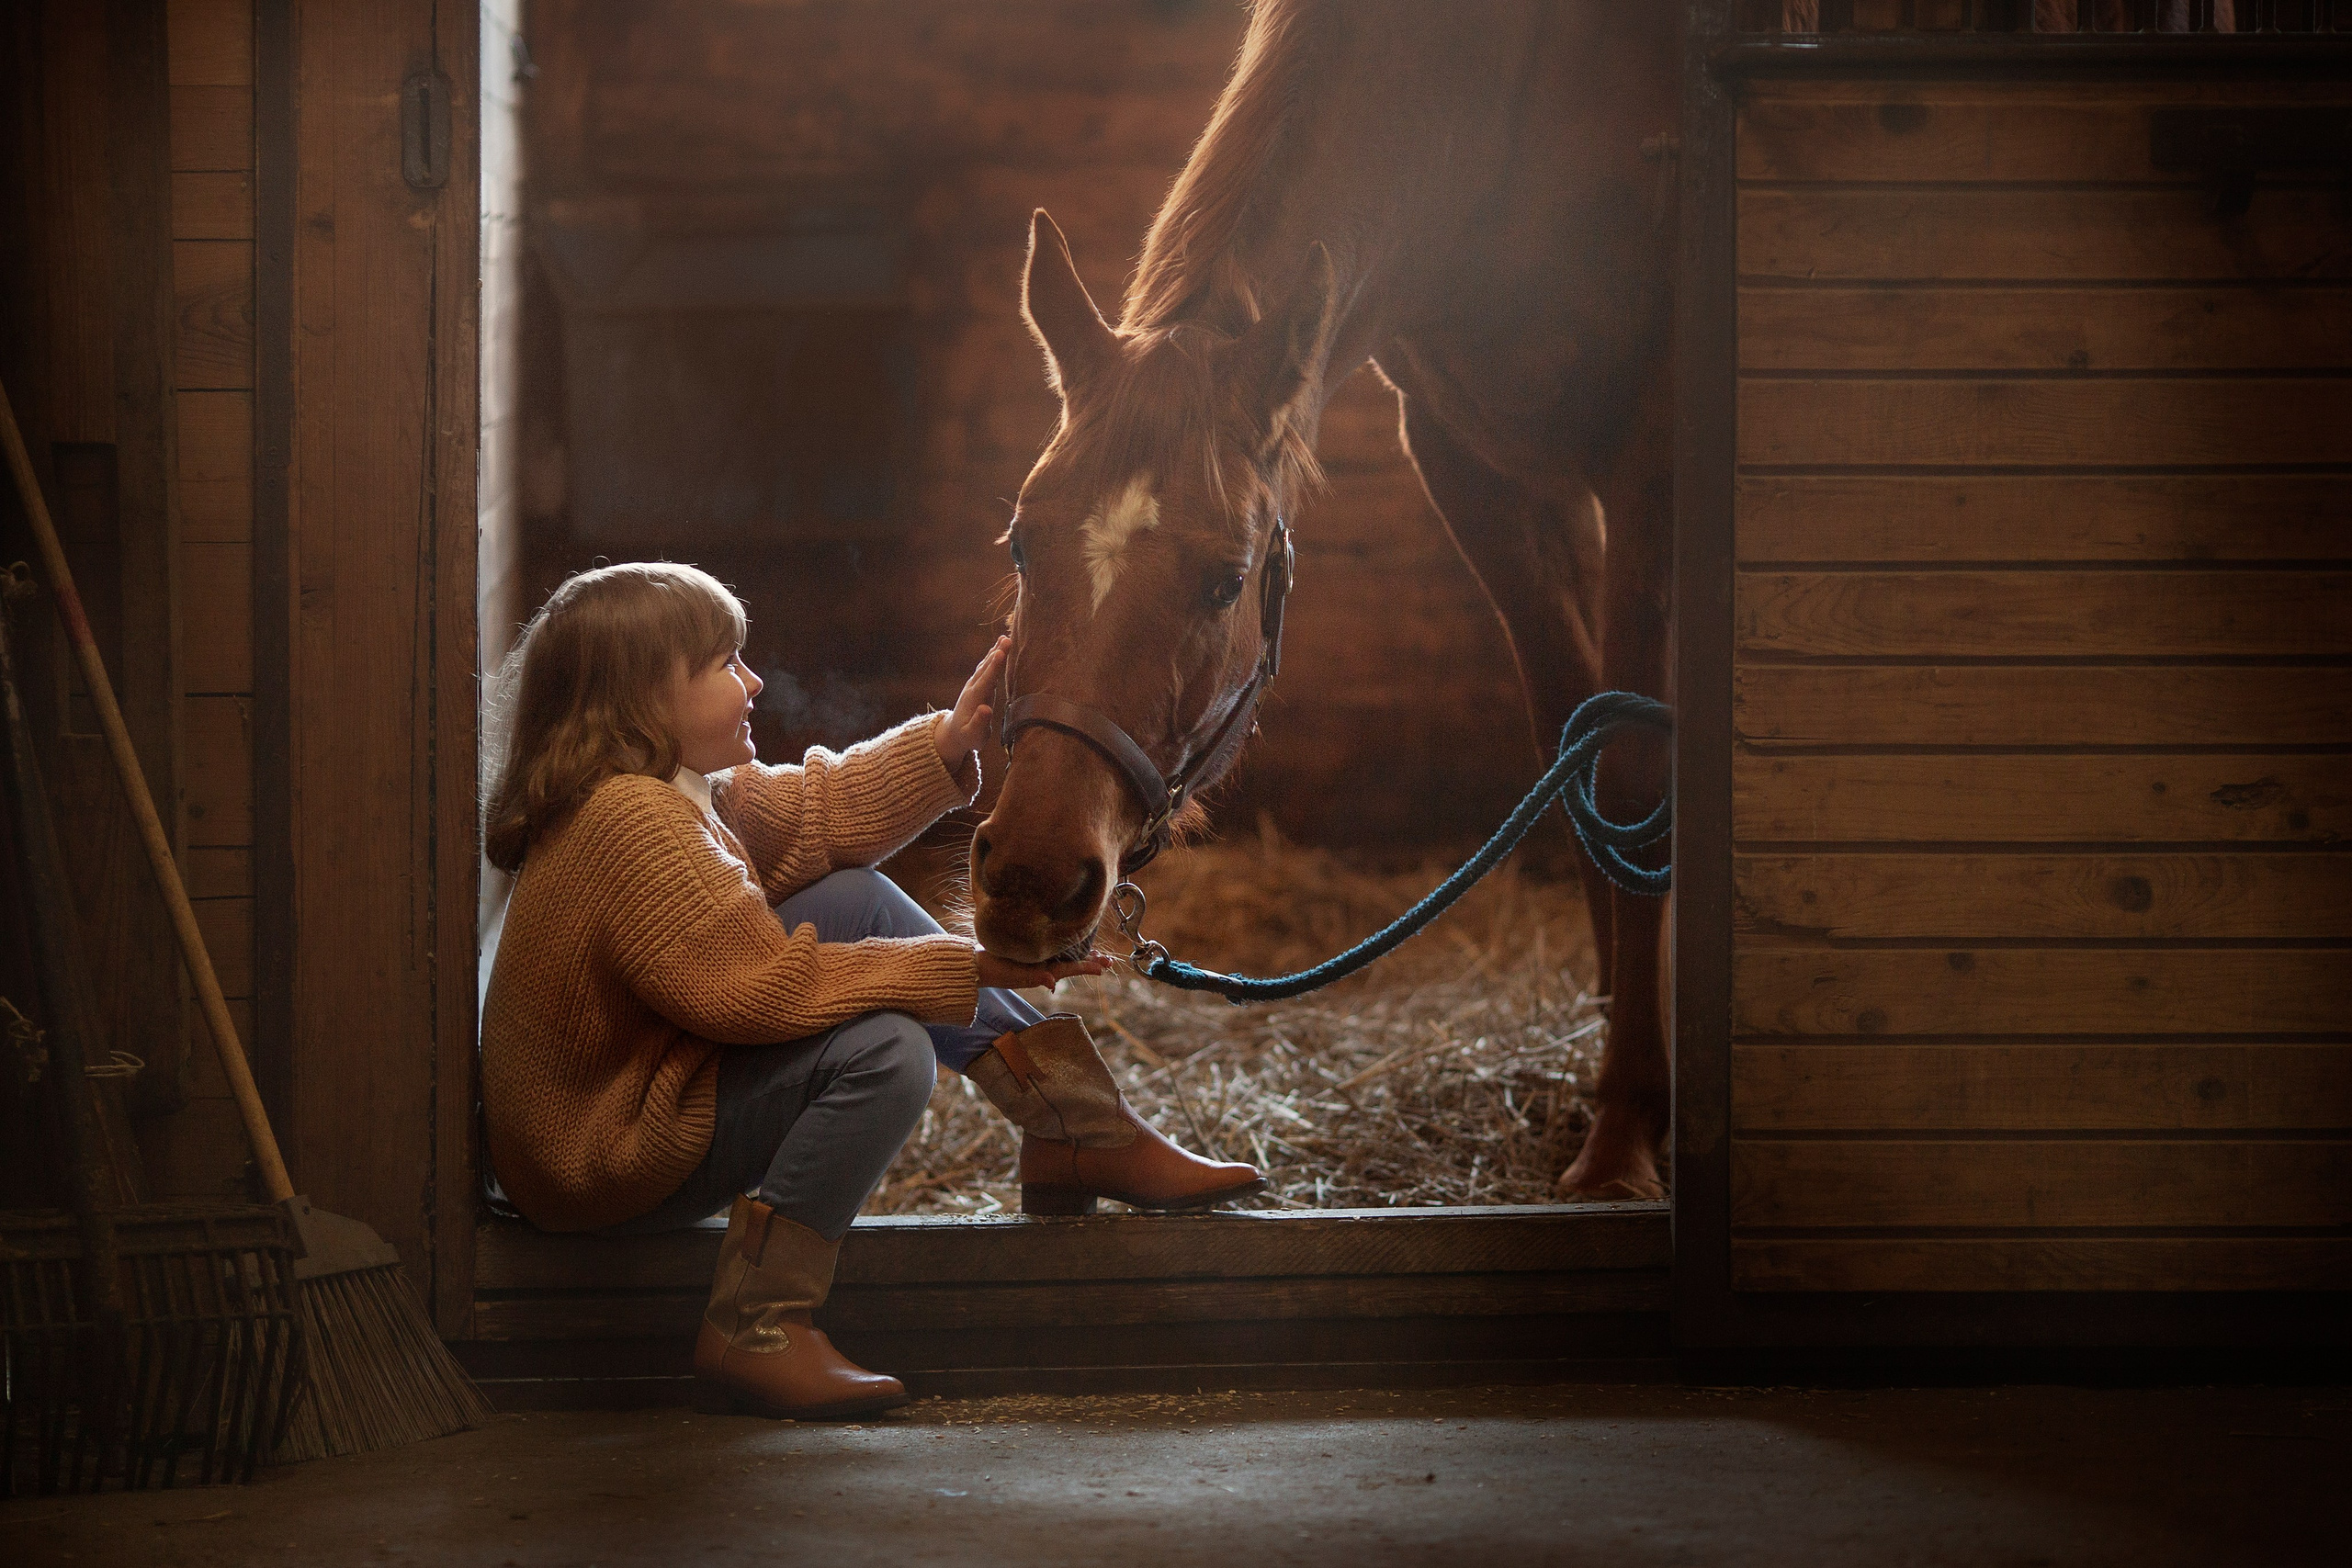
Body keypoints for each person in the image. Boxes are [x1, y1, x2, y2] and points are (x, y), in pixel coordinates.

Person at [478, 561, 1259, 1422]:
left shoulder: (679, 793)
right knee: (886, 1054)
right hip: (605, 1158)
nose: (753, 680)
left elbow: (818, 811)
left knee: (851, 899)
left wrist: (948, 743)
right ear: (636, 700)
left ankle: (1074, 1123)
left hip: (642, 1090)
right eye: (722, 664)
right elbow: (763, 992)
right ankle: (760, 1324)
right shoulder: (632, 824)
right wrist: (967, 967)